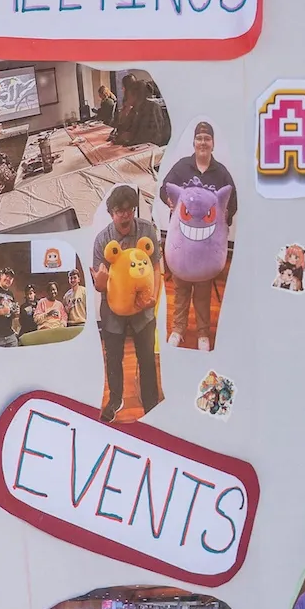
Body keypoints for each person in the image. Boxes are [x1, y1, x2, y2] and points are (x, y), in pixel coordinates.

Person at [159, 120, 238, 347]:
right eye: (199, 138)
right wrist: (172, 204)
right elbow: (166, 189)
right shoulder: (182, 167)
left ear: (213, 144)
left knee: (203, 292)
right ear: (194, 143)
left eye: (207, 139)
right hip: (182, 247)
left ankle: (203, 333)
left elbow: (232, 202)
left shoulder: (221, 173)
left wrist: (223, 224)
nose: (203, 142)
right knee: (181, 289)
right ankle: (178, 329)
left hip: (205, 249)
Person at [91, 184, 162, 418]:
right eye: (119, 211)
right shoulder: (103, 240)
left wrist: (153, 298)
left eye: (129, 210)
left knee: (147, 357)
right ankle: (115, 400)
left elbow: (156, 265)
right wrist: (99, 281)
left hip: (143, 307)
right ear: (111, 213)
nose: (125, 215)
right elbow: (99, 285)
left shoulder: (147, 231)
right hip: (113, 308)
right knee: (113, 358)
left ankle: (151, 403)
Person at [109, 70, 171, 148]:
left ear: (135, 95)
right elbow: (123, 128)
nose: (126, 95)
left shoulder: (152, 107)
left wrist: (131, 137)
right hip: (138, 147)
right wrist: (125, 111)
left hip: (151, 150)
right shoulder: (135, 109)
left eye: (129, 94)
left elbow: (153, 137)